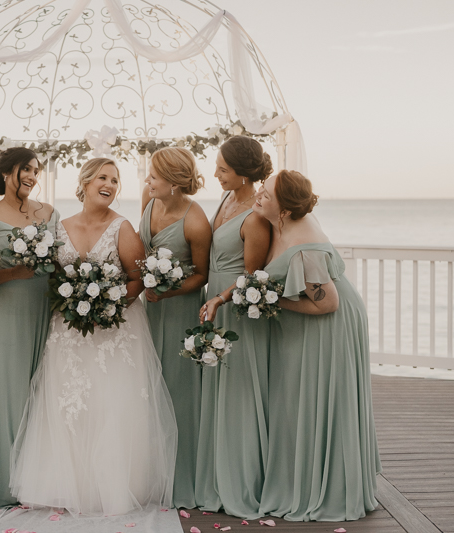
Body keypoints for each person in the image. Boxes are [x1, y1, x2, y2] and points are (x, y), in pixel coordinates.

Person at [9, 158, 177, 517]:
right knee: (67, 403)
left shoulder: (123, 228)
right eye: (103, 177)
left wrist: (108, 307)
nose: (110, 184)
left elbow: (137, 279)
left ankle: (112, 486)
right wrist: (75, 300)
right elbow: (54, 277)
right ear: (85, 182)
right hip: (68, 331)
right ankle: (63, 484)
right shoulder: (59, 227)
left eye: (115, 180)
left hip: (115, 331)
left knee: (110, 403)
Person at [254, 170, 381, 521]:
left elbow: (326, 303)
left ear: (284, 209)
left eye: (265, 194)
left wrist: (272, 302)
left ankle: (326, 487)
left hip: (328, 323)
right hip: (315, 319)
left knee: (318, 397)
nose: (259, 196)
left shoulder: (304, 248)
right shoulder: (288, 220)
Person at [0, 147, 59, 512]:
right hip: (0, 313)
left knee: (40, 395)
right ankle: (1, 482)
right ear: (7, 171)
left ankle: (37, 480)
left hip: (41, 310)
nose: (32, 176)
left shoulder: (49, 213)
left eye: (36, 171)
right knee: (6, 397)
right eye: (26, 169)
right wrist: (15, 271)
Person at [195, 135, 272, 519]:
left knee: (237, 393)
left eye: (223, 169)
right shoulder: (227, 199)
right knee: (216, 392)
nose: (215, 174)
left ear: (243, 174)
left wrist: (220, 299)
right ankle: (213, 473)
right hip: (212, 301)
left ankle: (239, 479)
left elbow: (250, 276)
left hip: (232, 307)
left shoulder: (256, 217)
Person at [139, 146, 211, 510]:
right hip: (148, 310)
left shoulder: (196, 222)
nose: (147, 181)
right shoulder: (148, 201)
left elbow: (202, 275)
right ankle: (149, 473)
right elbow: (140, 252)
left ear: (173, 181)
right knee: (146, 387)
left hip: (178, 309)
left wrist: (165, 292)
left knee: (177, 390)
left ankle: (181, 477)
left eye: (153, 176)